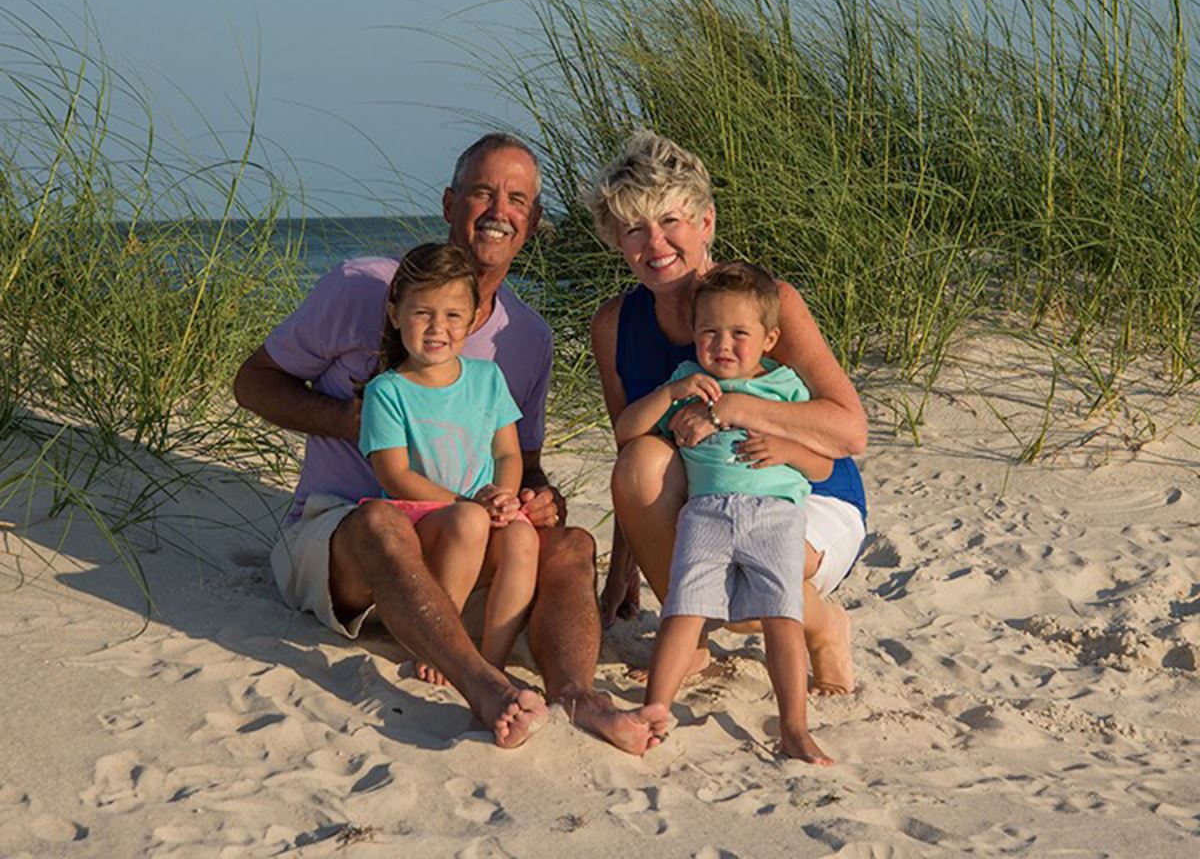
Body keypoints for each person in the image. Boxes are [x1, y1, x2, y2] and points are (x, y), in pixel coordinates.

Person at [235, 133, 668, 752]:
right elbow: (252, 383)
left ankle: (580, 697)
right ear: (448, 203)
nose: (498, 210)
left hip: (457, 551)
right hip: (342, 537)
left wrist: (536, 498)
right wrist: (348, 421)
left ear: (535, 221)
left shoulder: (528, 337)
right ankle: (482, 686)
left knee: (569, 545)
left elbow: (522, 458)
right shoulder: (366, 287)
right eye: (482, 192)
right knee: (383, 521)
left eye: (517, 199)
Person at [588, 130, 868, 694]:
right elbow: (630, 455)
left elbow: (850, 430)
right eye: (635, 228)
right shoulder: (615, 324)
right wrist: (623, 570)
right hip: (709, 498)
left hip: (805, 490)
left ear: (706, 222)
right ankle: (688, 641)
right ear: (617, 240)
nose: (656, 243)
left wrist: (734, 409)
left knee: (747, 596)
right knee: (642, 456)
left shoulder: (769, 303)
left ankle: (824, 624)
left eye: (671, 220)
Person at [619, 263, 834, 763]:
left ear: (770, 337)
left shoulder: (787, 387)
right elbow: (629, 431)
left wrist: (786, 447)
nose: (723, 345)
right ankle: (656, 707)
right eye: (709, 332)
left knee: (782, 617)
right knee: (683, 610)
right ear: (693, 335)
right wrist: (670, 394)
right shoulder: (687, 382)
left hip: (775, 515)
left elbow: (822, 464)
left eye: (740, 333)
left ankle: (793, 727)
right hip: (706, 513)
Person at [358, 243, 539, 682]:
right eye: (423, 313)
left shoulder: (487, 378)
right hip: (422, 517)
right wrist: (468, 505)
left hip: (480, 506)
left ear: (475, 318)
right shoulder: (388, 391)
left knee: (522, 539)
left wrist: (505, 496)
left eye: (453, 315)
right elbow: (395, 475)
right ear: (395, 312)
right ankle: (443, 640)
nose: (437, 327)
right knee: (470, 523)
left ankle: (490, 661)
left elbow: (508, 453)